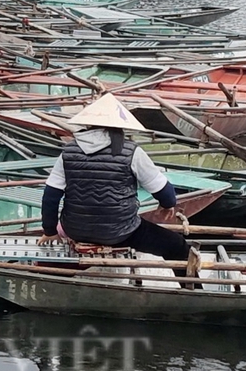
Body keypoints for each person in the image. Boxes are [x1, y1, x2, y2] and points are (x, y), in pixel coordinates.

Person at [39, 94, 189, 261]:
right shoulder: (131, 152)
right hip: (121, 233)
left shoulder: (68, 152)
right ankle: (188, 286)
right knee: (178, 246)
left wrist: (49, 231)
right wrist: (168, 205)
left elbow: (50, 197)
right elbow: (165, 193)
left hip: (75, 229)